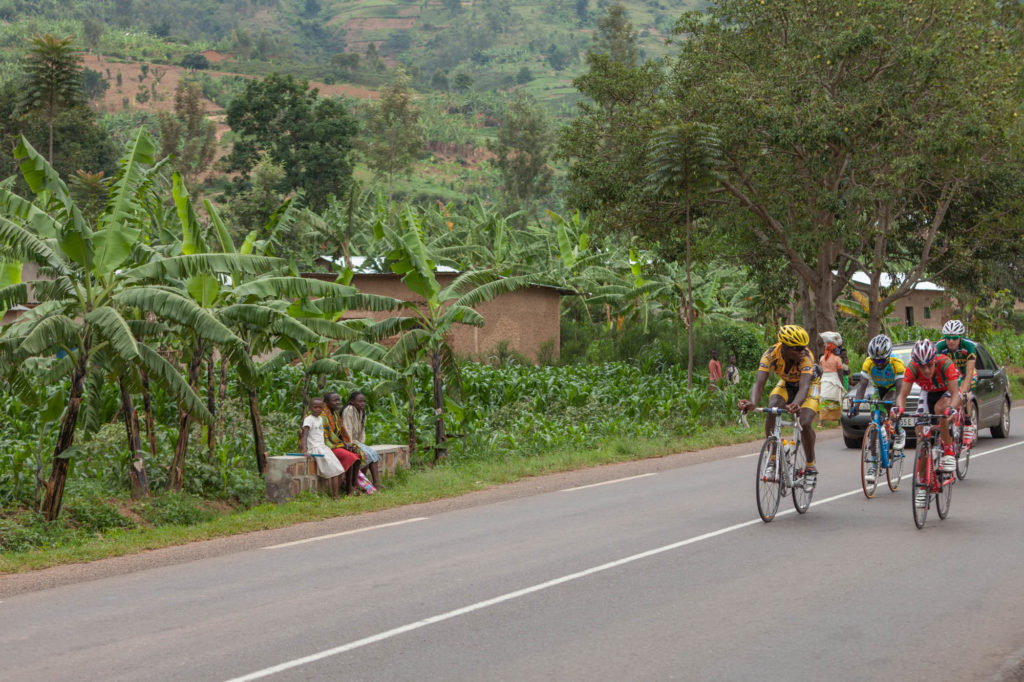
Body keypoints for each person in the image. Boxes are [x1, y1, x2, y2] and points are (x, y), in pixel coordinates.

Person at [738, 325, 820, 487]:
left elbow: (803, 388)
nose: (802, 351)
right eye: (797, 349)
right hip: (787, 383)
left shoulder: (806, 357)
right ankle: (773, 458)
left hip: (810, 385)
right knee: (773, 407)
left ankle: (810, 466)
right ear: (785, 348)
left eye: (804, 348)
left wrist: (796, 404)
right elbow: (759, 382)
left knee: (804, 422)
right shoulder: (770, 355)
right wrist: (752, 402)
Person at [890, 339, 962, 507]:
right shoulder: (912, 368)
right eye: (922, 367)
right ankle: (922, 485)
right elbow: (903, 395)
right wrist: (898, 409)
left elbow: (956, 394)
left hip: (946, 393)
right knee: (921, 434)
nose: (926, 370)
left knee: (940, 409)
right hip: (927, 393)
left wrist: (951, 409)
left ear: (935, 360)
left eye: (929, 365)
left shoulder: (945, 364)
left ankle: (949, 450)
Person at [851, 334, 907, 482]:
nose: (878, 363)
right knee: (875, 422)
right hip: (878, 387)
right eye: (876, 360)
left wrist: (897, 406)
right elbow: (862, 385)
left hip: (895, 387)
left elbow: (901, 391)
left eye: (881, 360)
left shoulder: (897, 363)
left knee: (889, 404)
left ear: (888, 356)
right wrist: (856, 405)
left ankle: (899, 430)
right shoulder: (868, 363)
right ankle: (874, 464)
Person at [299, 398, 356, 498]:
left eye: (320, 407)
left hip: (324, 447)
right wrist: (304, 450)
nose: (317, 409)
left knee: (340, 471)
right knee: (335, 472)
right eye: (315, 407)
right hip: (316, 448)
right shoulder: (308, 419)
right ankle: (335, 497)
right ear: (310, 408)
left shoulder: (321, 419)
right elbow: (305, 435)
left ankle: (335, 494)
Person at [935, 319, 978, 447]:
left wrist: (963, 391)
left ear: (961, 337)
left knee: (964, 395)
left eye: (954, 338)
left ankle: (968, 424)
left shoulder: (969, 347)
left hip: (965, 374)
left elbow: (969, 371)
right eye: (948, 338)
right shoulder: (939, 347)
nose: (951, 341)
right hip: (949, 377)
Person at [342, 390, 384, 491]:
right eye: (360, 401)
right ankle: (358, 482)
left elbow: (362, 431)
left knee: (373, 454)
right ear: (352, 401)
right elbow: (347, 430)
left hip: (357, 441)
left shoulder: (362, 412)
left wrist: (361, 443)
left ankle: (375, 482)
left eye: (364, 401)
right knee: (366, 455)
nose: (362, 403)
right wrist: (352, 444)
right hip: (349, 441)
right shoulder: (349, 410)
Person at [322, 392, 362, 495]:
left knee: (357, 453)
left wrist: (347, 444)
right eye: (334, 400)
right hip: (327, 445)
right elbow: (328, 436)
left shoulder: (335, 413)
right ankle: (348, 488)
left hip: (336, 443)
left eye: (339, 400)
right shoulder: (323, 415)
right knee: (350, 456)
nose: (338, 402)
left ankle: (353, 484)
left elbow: (341, 432)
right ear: (326, 402)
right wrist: (344, 445)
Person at [818, 332, 846, 406]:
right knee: (835, 403)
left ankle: (824, 416)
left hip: (824, 383)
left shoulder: (822, 358)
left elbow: (821, 372)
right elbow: (840, 374)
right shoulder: (837, 359)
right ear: (834, 348)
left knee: (824, 402)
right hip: (835, 382)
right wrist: (842, 386)